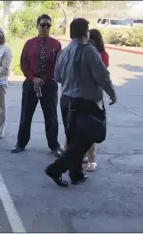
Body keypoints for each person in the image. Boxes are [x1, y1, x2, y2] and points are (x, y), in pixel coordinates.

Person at [45, 18, 117, 187]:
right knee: (86, 140)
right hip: (84, 103)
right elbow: (102, 75)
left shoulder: (64, 51)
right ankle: (55, 169)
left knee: (73, 139)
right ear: (86, 31)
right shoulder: (89, 51)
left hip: (66, 100)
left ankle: (76, 174)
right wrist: (112, 93)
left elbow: (59, 76)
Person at [11, 14, 63, 157]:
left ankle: (54, 146)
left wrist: (44, 80)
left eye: (48, 25)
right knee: (26, 115)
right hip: (30, 85)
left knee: (51, 117)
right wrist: (33, 78)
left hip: (49, 85)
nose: (45, 28)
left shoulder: (56, 45)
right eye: (43, 25)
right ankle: (20, 143)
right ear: (37, 26)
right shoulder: (29, 44)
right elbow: (23, 63)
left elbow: (57, 66)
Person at [63, 28, 109, 172]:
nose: (88, 43)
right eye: (88, 40)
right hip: (78, 96)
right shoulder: (80, 52)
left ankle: (92, 158)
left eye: (92, 41)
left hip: (94, 98)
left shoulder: (102, 55)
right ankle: (77, 155)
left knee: (91, 129)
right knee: (75, 128)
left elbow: (100, 76)